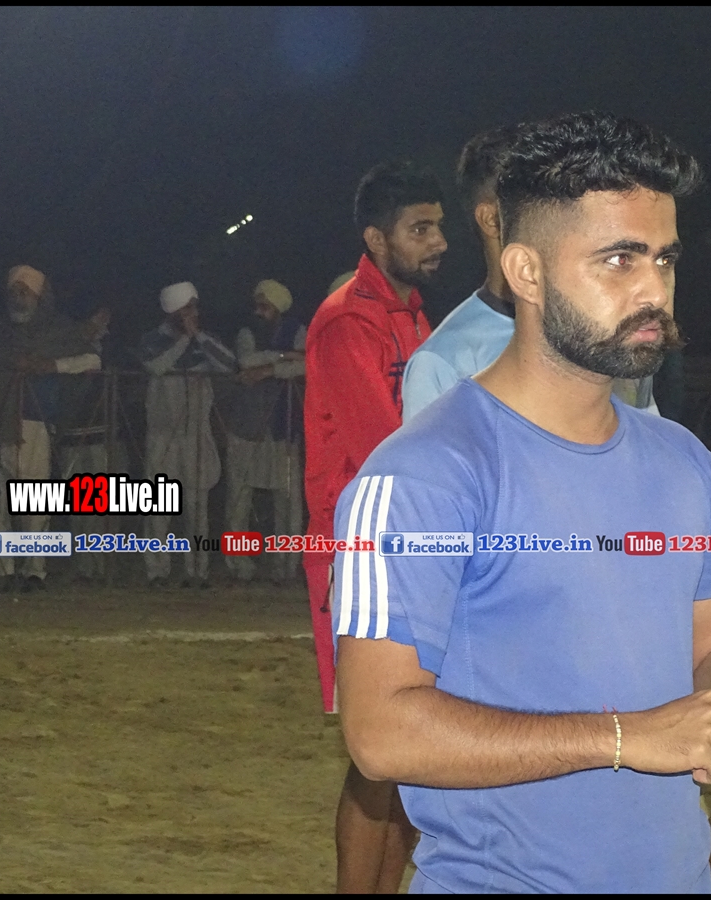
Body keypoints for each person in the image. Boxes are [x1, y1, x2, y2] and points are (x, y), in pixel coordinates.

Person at [333, 111, 711, 894]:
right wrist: (623, 738)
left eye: (664, 260)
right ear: (527, 272)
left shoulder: (683, 464)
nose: (653, 290)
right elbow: (378, 734)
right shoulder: (421, 476)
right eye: (618, 260)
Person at [303, 161, 443, 892]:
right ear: (376, 239)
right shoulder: (346, 321)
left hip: (414, 543)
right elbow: (384, 445)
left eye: (439, 226)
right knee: (376, 754)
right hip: (362, 553)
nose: (438, 241)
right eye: (420, 229)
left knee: (412, 750)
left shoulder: (412, 313)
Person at [401, 126, 659, 424]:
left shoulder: (608, 327)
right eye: (540, 199)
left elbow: (646, 437)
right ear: (491, 219)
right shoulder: (443, 361)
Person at [0, 265, 101, 592]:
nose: (18, 298)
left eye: (24, 292)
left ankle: (35, 570)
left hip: (35, 420)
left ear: (38, 297)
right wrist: (8, 363)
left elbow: (92, 360)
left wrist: (51, 365)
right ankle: (6, 570)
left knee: (34, 498)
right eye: (13, 292)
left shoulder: (57, 331)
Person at [137, 282, 235, 588]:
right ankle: (157, 571)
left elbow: (229, 364)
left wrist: (199, 337)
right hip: (162, 434)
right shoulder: (153, 340)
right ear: (173, 311)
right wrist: (185, 339)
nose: (193, 313)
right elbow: (157, 366)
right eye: (187, 308)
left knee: (197, 505)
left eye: (194, 307)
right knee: (159, 506)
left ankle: (197, 570)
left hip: (195, 433)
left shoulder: (205, 340)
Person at [224, 280, 306, 584]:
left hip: (283, 428)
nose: (258, 311)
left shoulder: (297, 330)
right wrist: (285, 356)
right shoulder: (247, 333)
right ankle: (238, 564)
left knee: (288, 501)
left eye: (264, 306)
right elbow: (246, 360)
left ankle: (287, 565)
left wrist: (270, 370)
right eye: (256, 305)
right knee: (239, 498)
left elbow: (308, 363)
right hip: (247, 426)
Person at [57, 305, 114, 583]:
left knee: (100, 503)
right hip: (72, 432)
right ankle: (83, 565)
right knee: (78, 504)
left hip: (101, 433)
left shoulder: (109, 349)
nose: (102, 323)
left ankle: (101, 564)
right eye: (98, 318)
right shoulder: (67, 346)